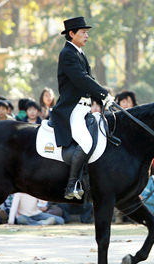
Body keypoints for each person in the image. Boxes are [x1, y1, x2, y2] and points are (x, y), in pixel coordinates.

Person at [51, 16, 115, 200]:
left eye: (87, 32)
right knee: (86, 143)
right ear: (71, 34)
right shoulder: (68, 54)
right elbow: (81, 79)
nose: (87, 35)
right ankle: (71, 186)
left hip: (84, 108)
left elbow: (88, 81)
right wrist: (103, 94)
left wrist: (104, 99)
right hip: (72, 110)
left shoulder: (79, 52)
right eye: (83, 32)